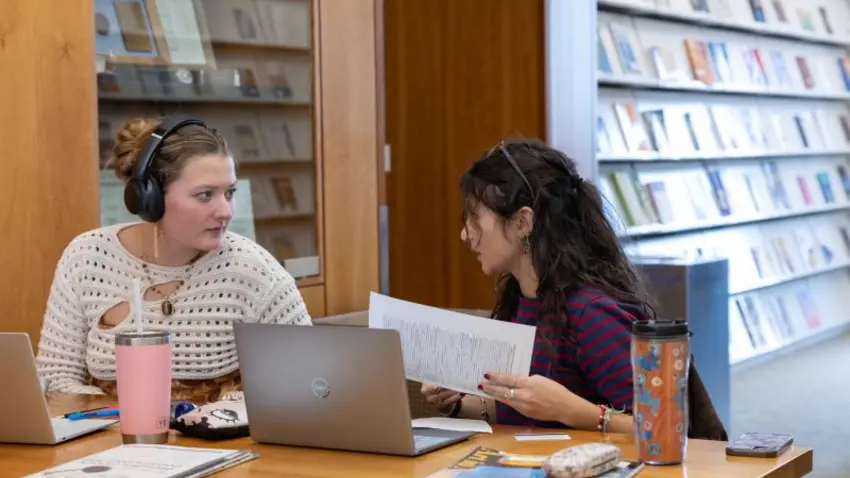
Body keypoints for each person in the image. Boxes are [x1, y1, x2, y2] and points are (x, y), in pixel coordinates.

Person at [35, 116, 312, 403]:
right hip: (111, 443)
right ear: (150, 198)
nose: (226, 211)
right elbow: (56, 380)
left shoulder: (255, 270)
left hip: (226, 444)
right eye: (205, 195)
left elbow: (308, 380)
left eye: (229, 193)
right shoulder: (86, 258)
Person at [421, 138, 652, 434]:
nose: (466, 235)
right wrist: (455, 403)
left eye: (475, 217)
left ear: (522, 222)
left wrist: (570, 409)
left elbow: (658, 429)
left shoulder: (592, 315)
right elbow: (523, 412)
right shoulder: (519, 300)